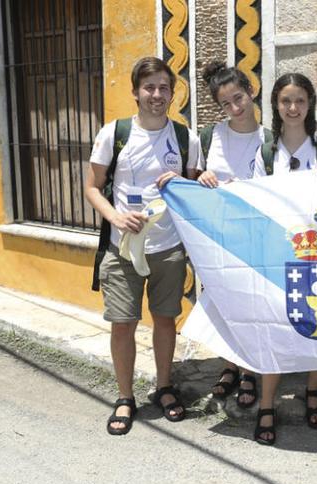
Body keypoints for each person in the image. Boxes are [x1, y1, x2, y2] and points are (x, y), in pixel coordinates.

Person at [84, 56, 201, 435]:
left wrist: (192, 182)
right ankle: (124, 397)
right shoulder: (113, 134)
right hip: (123, 245)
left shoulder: (186, 138)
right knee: (123, 323)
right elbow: (91, 186)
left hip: (168, 245)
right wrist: (115, 217)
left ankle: (164, 386)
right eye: (149, 87)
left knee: (165, 320)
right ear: (135, 92)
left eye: (163, 87)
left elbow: (195, 189)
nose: (156, 94)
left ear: (172, 93)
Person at [248, 72, 317, 445]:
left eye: (300, 100)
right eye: (285, 100)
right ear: (276, 105)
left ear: (309, 105)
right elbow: (254, 200)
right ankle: (267, 403)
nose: (292, 107)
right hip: (277, 251)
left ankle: (312, 388)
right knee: (275, 327)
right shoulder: (266, 153)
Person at [196, 61, 271, 409]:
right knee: (223, 302)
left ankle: (250, 371)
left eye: (239, 98)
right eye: (226, 104)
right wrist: (202, 179)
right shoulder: (210, 137)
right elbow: (191, 181)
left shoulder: (270, 139)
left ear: (251, 92)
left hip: (256, 237)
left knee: (251, 305)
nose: (235, 108)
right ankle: (229, 365)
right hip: (218, 235)